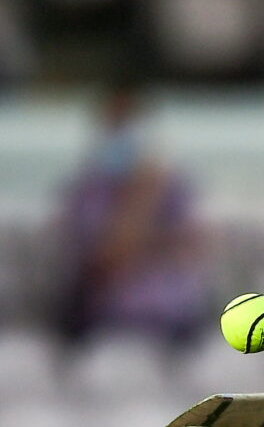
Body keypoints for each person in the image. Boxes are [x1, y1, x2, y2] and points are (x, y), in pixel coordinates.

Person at [54, 89, 207, 341]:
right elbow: (104, 260)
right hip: (110, 320)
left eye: (128, 127)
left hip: (175, 320)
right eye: (115, 128)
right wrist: (142, 199)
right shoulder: (88, 191)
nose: (122, 137)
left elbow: (191, 246)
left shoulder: (175, 187)